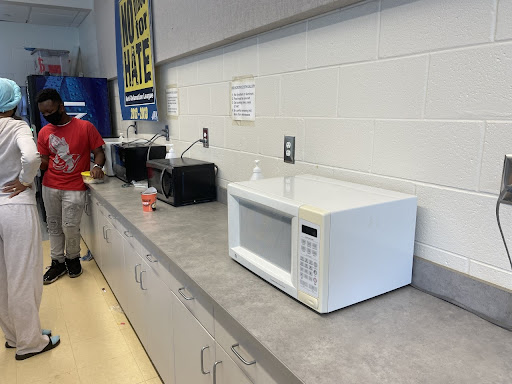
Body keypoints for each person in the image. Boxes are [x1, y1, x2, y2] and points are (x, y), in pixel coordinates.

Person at [0, 78, 60, 360]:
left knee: (2, 279)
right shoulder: (17, 126)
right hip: (15, 207)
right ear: (14, 103)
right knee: (23, 275)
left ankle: (14, 337)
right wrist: (25, 181)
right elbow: (32, 157)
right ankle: (31, 342)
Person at [36, 88, 105, 284]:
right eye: (44, 114)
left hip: (75, 186)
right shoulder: (44, 132)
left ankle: (73, 259)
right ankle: (57, 262)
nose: (47, 116)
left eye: (50, 111)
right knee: (54, 226)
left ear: (61, 106)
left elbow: (99, 153)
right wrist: (31, 163)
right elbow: (44, 161)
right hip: (50, 186)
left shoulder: (85, 127)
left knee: (71, 227)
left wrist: (98, 166)